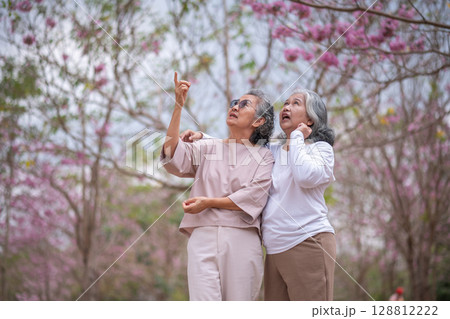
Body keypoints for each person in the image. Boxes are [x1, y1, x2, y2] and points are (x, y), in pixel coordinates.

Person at [181, 88, 336, 301]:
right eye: (286, 103)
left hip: (307, 241)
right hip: (274, 249)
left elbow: (305, 176)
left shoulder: (321, 150)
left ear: (310, 119)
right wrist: (203, 136)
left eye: (296, 103)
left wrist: (297, 136)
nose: (287, 107)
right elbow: (241, 144)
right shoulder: (272, 152)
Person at [160, 72, 275, 301]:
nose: (235, 107)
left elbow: (253, 197)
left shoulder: (265, 157)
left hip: (242, 239)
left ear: (259, 121)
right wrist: (178, 107)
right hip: (202, 236)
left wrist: (209, 202)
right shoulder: (207, 147)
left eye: (244, 105)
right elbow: (172, 155)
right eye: (234, 103)